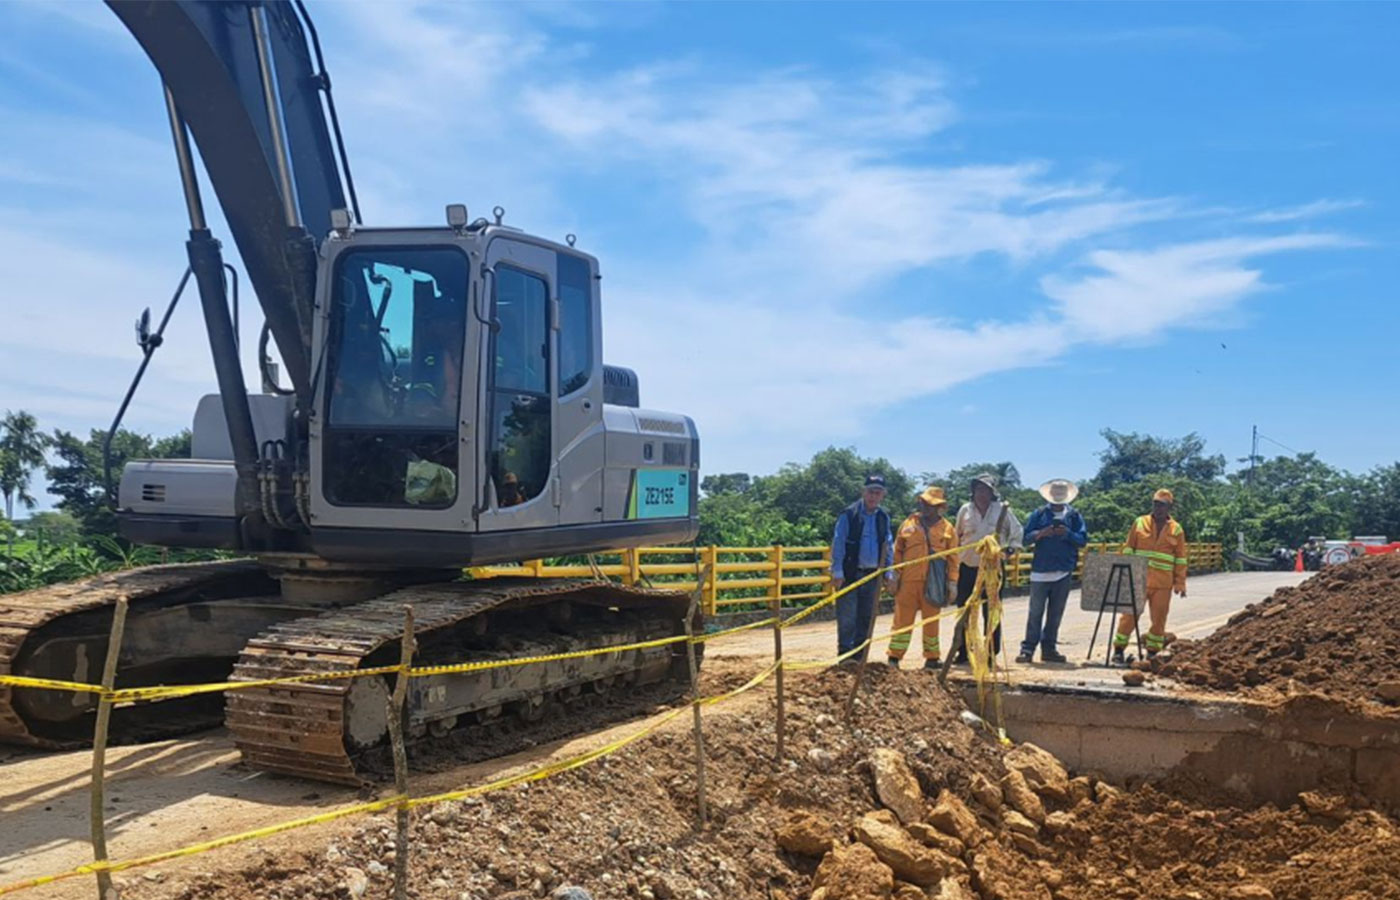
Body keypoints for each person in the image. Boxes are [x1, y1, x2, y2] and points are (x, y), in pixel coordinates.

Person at [952, 473, 1022, 663]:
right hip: (968, 566)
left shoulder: (1002, 510)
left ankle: (991, 652)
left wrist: (1008, 552)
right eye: (978, 489)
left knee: (991, 612)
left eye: (986, 490)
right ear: (973, 491)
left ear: (992, 493)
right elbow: (957, 535)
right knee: (964, 610)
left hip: (993, 569)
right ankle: (963, 651)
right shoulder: (965, 510)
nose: (982, 494)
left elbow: (1017, 534)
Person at [1017, 479, 1088, 664]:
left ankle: (1049, 649)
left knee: (1055, 614)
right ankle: (1028, 649)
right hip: (1040, 571)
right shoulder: (1038, 514)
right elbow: (1024, 538)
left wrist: (1067, 534)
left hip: (1063, 571)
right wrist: (1041, 533)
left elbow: (1082, 540)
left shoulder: (1074, 516)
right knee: (1035, 613)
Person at [888, 486, 958, 670]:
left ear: (939, 507)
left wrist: (952, 583)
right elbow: (897, 552)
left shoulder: (948, 529)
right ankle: (894, 657)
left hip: (934, 583)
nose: (925, 507)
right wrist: (893, 577)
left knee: (931, 621)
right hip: (907, 583)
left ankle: (932, 658)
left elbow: (953, 559)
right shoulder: (908, 524)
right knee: (902, 620)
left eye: (930, 504)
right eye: (923, 503)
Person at [1116, 488, 1188, 662]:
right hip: (1138, 580)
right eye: (1156, 504)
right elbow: (1128, 548)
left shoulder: (1176, 530)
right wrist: (1125, 574)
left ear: (1169, 506)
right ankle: (1118, 650)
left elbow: (1180, 558)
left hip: (1163, 583)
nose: (1158, 508)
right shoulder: (1140, 523)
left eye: (1162, 505)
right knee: (1129, 616)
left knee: (1159, 618)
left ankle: (1152, 653)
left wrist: (1180, 583)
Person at [830, 475, 895, 664]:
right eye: (870, 491)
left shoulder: (883, 517)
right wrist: (837, 572)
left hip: (873, 574)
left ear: (883, 495)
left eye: (878, 492)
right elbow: (839, 542)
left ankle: (860, 656)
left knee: (866, 617)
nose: (873, 496)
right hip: (850, 573)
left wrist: (888, 572)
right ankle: (845, 656)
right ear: (863, 492)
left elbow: (887, 545)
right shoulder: (849, 514)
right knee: (847, 617)